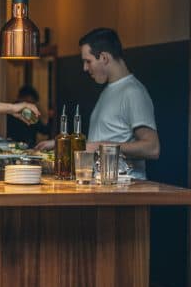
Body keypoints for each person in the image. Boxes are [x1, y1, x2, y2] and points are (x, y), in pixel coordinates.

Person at [36, 28, 159, 178]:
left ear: (104, 58)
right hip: (104, 186)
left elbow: (152, 148)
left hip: (125, 189)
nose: (85, 68)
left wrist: (100, 147)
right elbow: (100, 141)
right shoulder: (109, 90)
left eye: (88, 61)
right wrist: (65, 144)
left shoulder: (133, 92)